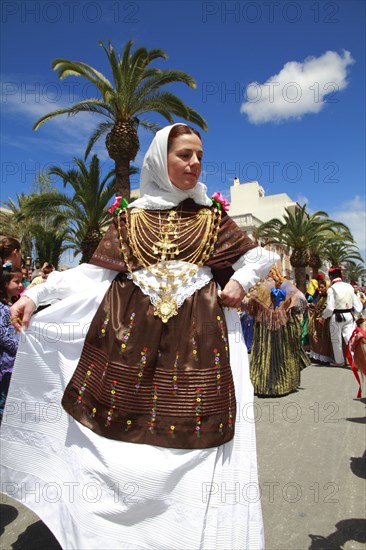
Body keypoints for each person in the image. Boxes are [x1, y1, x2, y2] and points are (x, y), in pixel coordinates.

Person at [1, 124, 277, 550]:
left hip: (198, 352)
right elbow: (91, 277)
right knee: (116, 454)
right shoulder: (129, 218)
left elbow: (259, 257)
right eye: (184, 154)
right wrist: (36, 296)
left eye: (200, 155)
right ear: (159, 160)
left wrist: (240, 280)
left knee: (193, 450)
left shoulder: (210, 217)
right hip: (126, 351)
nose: (195, 163)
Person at [247, 266, 310, 396]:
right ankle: (284, 384)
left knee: (265, 354)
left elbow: (249, 306)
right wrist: (290, 310)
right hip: (285, 325)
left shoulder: (259, 287)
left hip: (264, 327)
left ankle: (263, 386)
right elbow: (301, 302)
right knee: (284, 354)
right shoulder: (286, 286)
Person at [319, 267, 362, 367]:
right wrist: (355, 316)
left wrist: (323, 317)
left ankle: (340, 361)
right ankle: (357, 361)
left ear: (330, 277)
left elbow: (330, 308)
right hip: (349, 316)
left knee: (336, 340)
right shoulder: (349, 287)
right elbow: (358, 306)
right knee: (350, 339)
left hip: (336, 316)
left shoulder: (332, 289)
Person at [0, 264, 22, 424]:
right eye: (17, 282)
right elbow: (1, 334)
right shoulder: (3, 309)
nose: (21, 285)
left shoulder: (12, 306)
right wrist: (18, 347)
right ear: (5, 283)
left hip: (13, 362)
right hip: (6, 364)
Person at [308, 280, 334, 364]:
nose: (320, 289)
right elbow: (317, 307)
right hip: (316, 321)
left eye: (322, 287)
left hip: (324, 322)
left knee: (323, 339)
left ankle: (324, 358)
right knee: (315, 338)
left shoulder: (328, 297)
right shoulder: (320, 296)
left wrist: (321, 315)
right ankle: (317, 356)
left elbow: (327, 308)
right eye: (319, 287)